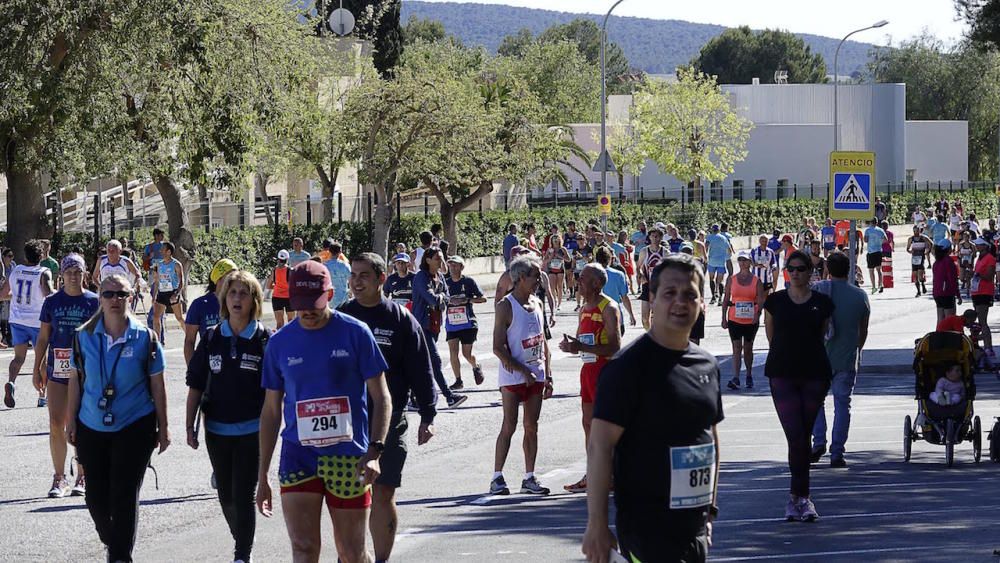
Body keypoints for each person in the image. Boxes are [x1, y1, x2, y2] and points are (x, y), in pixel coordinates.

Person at [582, 254, 722, 563]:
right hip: (647, 531)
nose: (680, 302)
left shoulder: (707, 364)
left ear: (701, 303)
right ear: (652, 300)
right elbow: (600, 447)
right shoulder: (627, 368)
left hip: (694, 529)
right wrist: (597, 525)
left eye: (690, 294)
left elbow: (710, 437)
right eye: (670, 293)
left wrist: (710, 510)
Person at [256, 260, 391, 563]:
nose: (307, 312)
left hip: (348, 457)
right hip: (298, 455)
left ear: (330, 294)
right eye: (301, 305)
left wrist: (375, 452)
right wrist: (262, 473)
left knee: (351, 553)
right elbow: (270, 411)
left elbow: (382, 397)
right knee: (303, 549)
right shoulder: (279, 343)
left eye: (314, 304)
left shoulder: (356, 333)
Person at [338, 253, 437, 562]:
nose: (356, 281)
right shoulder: (341, 316)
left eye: (363, 275)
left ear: (381, 279)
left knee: (382, 492)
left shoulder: (400, 319)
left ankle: (380, 559)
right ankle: (352, 556)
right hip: (348, 423)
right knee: (350, 497)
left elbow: (422, 369)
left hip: (389, 421)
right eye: (353, 275)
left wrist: (428, 415)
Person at [67, 274, 169, 563]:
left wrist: (165, 427)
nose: (115, 300)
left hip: (135, 423)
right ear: (99, 297)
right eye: (109, 294)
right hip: (91, 423)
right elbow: (76, 379)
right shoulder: (83, 335)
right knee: (96, 498)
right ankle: (114, 543)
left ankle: (120, 556)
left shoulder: (145, 337)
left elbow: (158, 385)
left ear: (131, 297)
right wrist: (70, 419)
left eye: (121, 294)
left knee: (124, 494)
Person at [185, 270, 271, 563]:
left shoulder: (264, 340)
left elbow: (275, 393)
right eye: (232, 293)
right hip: (217, 430)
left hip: (252, 431)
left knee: (244, 495)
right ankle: (243, 537)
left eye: (243, 293)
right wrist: (189, 426)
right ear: (224, 299)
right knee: (226, 495)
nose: (237, 299)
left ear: (254, 300)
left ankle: (241, 555)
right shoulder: (211, 338)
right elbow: (195, 383)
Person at [763, 250, 834, 521]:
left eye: (800, 269)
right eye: (790, 269)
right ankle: (799, 497)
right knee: (795, 435)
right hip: (782, 373)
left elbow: (821, 334)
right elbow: (771, 335)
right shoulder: (775, 302)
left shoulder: (822, 302)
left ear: (810, 272)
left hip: (815, 373)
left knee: (804, 435)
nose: (795, 273)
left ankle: (801, 498)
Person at [33, 253, 99, 497]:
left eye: (78, 272)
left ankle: (82, 475)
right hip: (57, 372)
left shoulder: (93, 301)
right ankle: (59, 477)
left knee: (82, 424)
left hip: (86, 372)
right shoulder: (52, 302)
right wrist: (37, 367)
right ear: (61, 275)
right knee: (56, 423)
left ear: (84, 275)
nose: (73, 276)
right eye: (69, 272)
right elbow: (42, 338)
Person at [490, 255, 553, 496]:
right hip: (513, 378)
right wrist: (521, 370)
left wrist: (547, 374)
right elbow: (497, 347)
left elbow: (543, 341)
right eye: (536, 275)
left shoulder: (536, 303)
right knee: (509, 424)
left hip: (536, 375)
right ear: (521, 278)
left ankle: (529, 477)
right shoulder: (505, 306)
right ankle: (497, 477)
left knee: (531, 426)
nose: (539, 279)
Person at [559, 263, 621, 494]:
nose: (578, 282)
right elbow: (582, 340)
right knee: (587, 424)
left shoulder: (609, 307)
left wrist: (581, 346)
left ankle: (612, 473)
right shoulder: (585, 307)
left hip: (604, 371)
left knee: (604, 426)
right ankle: (594, 473)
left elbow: (615, 346)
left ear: (597, 283)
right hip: (588, 370)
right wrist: (571, 345)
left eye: (583, 279)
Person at [810, 251, 870, 468]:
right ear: (849, 270)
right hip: (846, 358)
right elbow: (863, 330)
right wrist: (856, 349)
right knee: (843, 405)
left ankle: (818, 442)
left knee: (816, 403)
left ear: (827, 269)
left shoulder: (818, 292)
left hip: (819, 358)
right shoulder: (860, 296)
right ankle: (837, 452)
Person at [0, 240, 55, 408]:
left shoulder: (16, 270)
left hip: (17, 320)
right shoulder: (44, 272)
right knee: (42, 360)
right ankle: (42, 395)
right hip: (38, 321)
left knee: (18, 357)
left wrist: (17, 297)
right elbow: (49, 294)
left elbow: (3, 294)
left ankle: (11, 382)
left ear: (25, 255)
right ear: (41, 256)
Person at [412, 247, 467, 408]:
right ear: (428, 260)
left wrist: (442, 297)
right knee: (434, 361)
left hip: (434, 325)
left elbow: (447, 296)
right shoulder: (421, 277)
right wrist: (442, 297)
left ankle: (413, 398)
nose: (441, 262)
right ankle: (450, 397)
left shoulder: (440, 276)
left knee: (423, 363)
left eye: (442, 258)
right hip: (422, 325)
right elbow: (432, 299)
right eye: (438, 258)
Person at [721, 251, 765, 390]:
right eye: (740, 260)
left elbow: (760, 300)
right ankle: (736, 377)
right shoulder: (731, 279)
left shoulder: (756, 280)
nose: (742, 263)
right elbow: (727, 298)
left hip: (750, 319)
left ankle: (749, 374)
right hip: (734, 317)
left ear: (750, 262)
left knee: (748, 348)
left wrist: (757, 315)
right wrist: (723, 317)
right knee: (736, 347)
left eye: (745, 260)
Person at [444, 256, 486, 390]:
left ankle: (476, 366)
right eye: (450, 265)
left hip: (467, 323)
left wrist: (466, 301)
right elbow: (439, 299)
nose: (452, 268)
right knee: (453, 352)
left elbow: (483, 299)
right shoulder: (445, 283)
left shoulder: (468, 282)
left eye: (455, 265)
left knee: (466, 354)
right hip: (451, 323)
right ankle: (458, 380)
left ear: (462, 267)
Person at [184, 258, 237, 364]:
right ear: (218, 279)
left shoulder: (239, 303)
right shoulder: (199, 305)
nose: (234, 282)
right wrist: (192, 371)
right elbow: (189, 341)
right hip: (208, 366)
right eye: (230, 278)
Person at [593, 246, 636, 331]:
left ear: (596, 259)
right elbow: (624, 297)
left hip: (596, 317)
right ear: (610, 259)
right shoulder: (619, 274)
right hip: (615, 315)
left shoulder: (590, 274)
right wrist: (631, 315)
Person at [151, 242, 185, 338]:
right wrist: (154, 296)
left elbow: (181, 281)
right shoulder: (159, 265)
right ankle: (156, 341)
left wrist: (177, 294)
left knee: (179, 318)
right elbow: (157, 282)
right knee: (156, 317)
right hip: (162, 293)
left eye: (163, 249)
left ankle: (189, 336)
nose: (160, 251)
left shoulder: (176, 264)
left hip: (172, 293)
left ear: (169, 252)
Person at [637, 226, 667, 329]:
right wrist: (641, 276)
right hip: (647, 286)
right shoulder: (644, 251)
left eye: (657, 236)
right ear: (649, 237)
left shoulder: (666, 253)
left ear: (661, 238)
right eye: (653, 236)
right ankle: (649, 335)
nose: (655, 238)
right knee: (645, 319)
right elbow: (638, 267)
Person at [971, 237, 996, 358]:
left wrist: (977, 274)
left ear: (985, 246)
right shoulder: (979, 258)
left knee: (982, 321)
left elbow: (990, 276)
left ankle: (988, 347)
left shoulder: (990, 259)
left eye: (979, 245)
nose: (977, 246)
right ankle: (982, 345)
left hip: (985, 292)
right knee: (979, 321)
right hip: (976, 291)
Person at [932, 240, 962, 323]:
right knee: (949, 319)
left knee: (940, 318)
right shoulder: (949, 262)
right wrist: (958, 294)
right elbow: (953, 280)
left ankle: (938, 334)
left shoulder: (936, 262)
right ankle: (947, 335)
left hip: (937, 293)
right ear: (949, 249)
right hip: (947, 293)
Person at [705, 224, 734, 305]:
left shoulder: (709, 237)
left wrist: (706, 255)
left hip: (711, 261)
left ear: (712, 230)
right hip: (721, 262)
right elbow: (729, 251)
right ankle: (720, 299)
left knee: (711, 279)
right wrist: (725, 256)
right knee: (720, 281)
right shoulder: (724, 238)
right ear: (718, 230)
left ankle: (713, 297)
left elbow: (706, 247)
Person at [265, 250, 294, 329]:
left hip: (277, 298)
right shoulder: (290, 270)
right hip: (289, 298)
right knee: (291, 322)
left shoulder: (274, 270)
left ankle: (279, 341)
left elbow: (268, 286)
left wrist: (277, 287)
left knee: (279, 324)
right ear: (287, 259)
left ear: (278, 259)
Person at [323, 242, 352, 309]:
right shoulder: (345, 265)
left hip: (329, 297)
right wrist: (351, 292)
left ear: (329, 251)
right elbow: (351, 279)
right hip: (343, 297)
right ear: (340, 252)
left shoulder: (324, 266)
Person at [544, 235, 571, 307]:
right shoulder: (549, 250)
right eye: (554, 239)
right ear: (551, 241)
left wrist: (560, 256)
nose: (555, 241)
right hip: (551, 269)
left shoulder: (563, 249)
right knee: (552, 286)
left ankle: (559, 303)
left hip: (560, 269)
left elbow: (569, 259)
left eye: (557, 239)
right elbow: (545, 260)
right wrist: (550, 257)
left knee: (559, 286)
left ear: (560, 240)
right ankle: (554, 300)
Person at [907, 226, 933, 297]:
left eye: (917, 231)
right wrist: (910, 251)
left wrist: (928, 251)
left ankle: (923, 284)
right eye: (914, 231)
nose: (916, 232)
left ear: (919, 231)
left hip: (921, 258)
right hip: (914, 258)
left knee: (920, 276)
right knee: (915, 276)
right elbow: (907, 248)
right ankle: (918, 291)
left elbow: (931, 243)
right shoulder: (911, 239)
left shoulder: (923, 237)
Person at [863, 219, 887, 294]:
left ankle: (873, 287)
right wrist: (879, 242)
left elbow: (866, 240)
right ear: (876, 222)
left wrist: (871, 240)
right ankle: (880, 284)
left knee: (871, 270)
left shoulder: (868, 230)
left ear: (870, 222)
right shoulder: (880, 230)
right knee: (879, 270)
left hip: (871, 252)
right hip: (878, 251)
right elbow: (886, 239)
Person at [142, 228, 166, 293]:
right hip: (153, 268)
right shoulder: (149, 246)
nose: (163, 237)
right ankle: (154, 301)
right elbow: (144, 258)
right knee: (153, 288)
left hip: (164, 268)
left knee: (164, 288)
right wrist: (149, 257)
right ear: (156, 236)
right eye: (161, 235)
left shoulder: (165, 245)